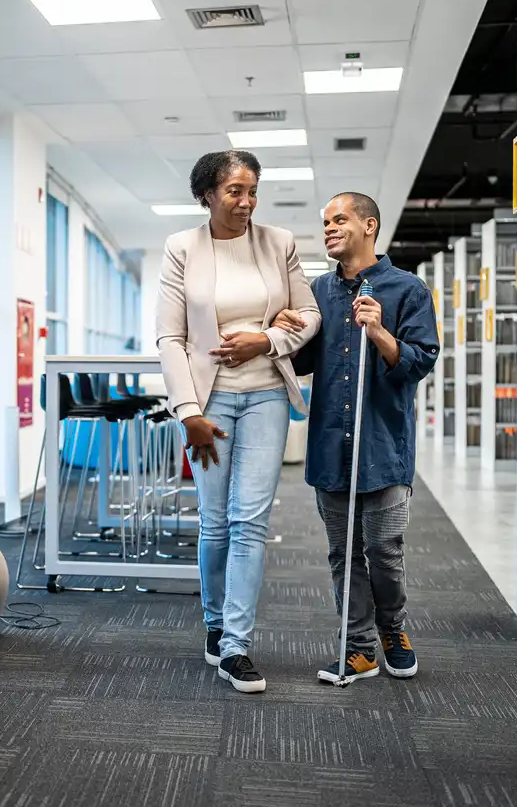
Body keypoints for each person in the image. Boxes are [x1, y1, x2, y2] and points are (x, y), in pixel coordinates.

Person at [156, 150, 320, 693]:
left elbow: (310, 315)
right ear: (206, 193)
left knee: (250, 521)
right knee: (215, 520)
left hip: (268, 395)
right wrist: (189, 413)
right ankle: (214, 623)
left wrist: (268, 338)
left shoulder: (280, 243)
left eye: (252, 191)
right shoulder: (181, 248)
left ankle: (235, 647)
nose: (246, 202)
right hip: (211, 404)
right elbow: (170, 338)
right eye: (234, 191)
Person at [273, 192, 439, 683]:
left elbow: (421, 361)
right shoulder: (317, 292)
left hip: (383, 446)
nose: (328, 228)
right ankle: (359, 646)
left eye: (339, 220)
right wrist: (284, 329)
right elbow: (303, 363)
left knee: (384, 550)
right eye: (324, 222)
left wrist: (380, 333)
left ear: (369, 226)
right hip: (331, 446)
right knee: (343, 553)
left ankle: (393, 630)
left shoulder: (408, 289)